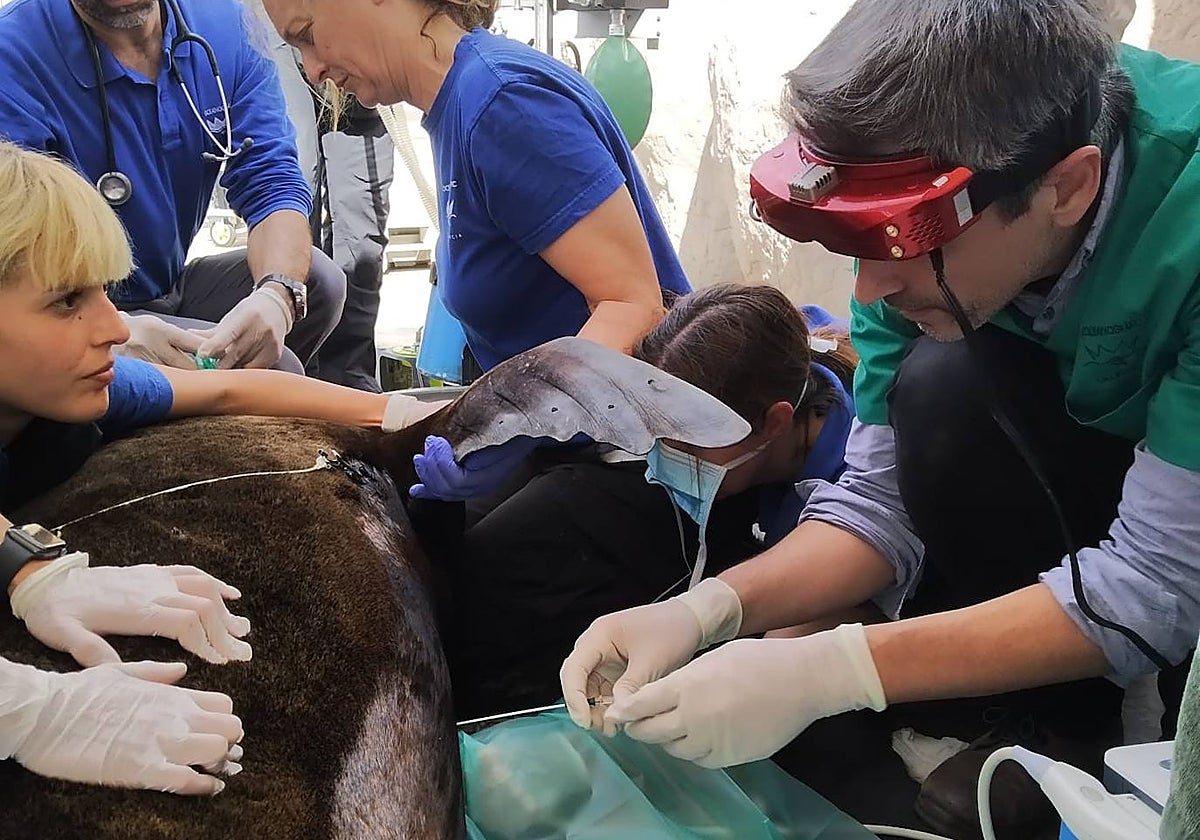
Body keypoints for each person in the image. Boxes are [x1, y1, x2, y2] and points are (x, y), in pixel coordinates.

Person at [561, 1, 1200, 836]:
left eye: (902, 244)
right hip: (1110, 466)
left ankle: (1090, 731)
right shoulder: (916, 255)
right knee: (938, 386)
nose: (869, 295)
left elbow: (1156, 584)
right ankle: (1049, 711)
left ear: (1068, 186)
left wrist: (833, 671)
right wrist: (701, 612)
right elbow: (878, 503)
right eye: (856, 248)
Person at [0, 142, 435, 796]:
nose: (117, 327)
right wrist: (31, 704)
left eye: (103, 292)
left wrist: (398, 412)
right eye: (67, 302)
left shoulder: (82, 393)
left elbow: (230, 391)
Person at [446, 284, 858, 720]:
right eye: (654, 433)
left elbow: (807, 628)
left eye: (685, 443)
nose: (657, 457)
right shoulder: (782, 350)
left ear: (774, 422)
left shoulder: (852, 483)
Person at [261, 0, 690, 370]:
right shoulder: (460, 101)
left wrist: (515, 431)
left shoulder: (502, 103)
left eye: (309, 34)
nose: (312, 70)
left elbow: (633, 307)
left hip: (623, 449)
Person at [0, 0, 347, 376]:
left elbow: (271, 179)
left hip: (168, 286)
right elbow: (19, 268)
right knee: (278, 371)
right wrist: (112, 330)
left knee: (317, 284)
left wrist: (276, 295)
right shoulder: (14, 54)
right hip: (74, 309)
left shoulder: (226, 24)